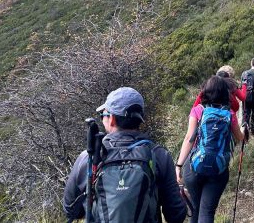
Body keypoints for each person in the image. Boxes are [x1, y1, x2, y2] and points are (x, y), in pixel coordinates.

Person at [63, 87, 187, 223]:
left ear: (112, 120)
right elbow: (176, 215)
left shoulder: (89, 157)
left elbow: (71, 210)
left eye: (103, 115)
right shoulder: (159, 155)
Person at [175, 76, 247, 223]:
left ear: (205, 92)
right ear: (224, 93)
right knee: (206, 212)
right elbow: (240, 138)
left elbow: (189, 138)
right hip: (218, 169)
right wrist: (244, 130)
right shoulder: (230, 114)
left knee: (194, 208)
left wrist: (179, 165)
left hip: (194, 166)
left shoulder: (197, 110)